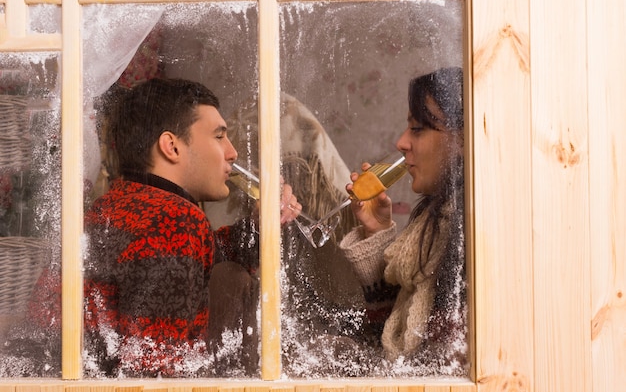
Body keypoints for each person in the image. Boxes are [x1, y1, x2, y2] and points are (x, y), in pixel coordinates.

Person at [82, 77, 301, 377]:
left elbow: (199, 260)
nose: (232, 152)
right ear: (171, 146)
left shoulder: (114, 205)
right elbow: (153, 371)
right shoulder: (174, 218)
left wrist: (259, 227)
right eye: (219, 136)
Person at [338, 67, 467, 372]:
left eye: (418, 129)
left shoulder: (471, 238)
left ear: (463, 139)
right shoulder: (430, 225)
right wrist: (377, 230)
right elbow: (391, 338)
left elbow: (435, 367)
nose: (401, 142)